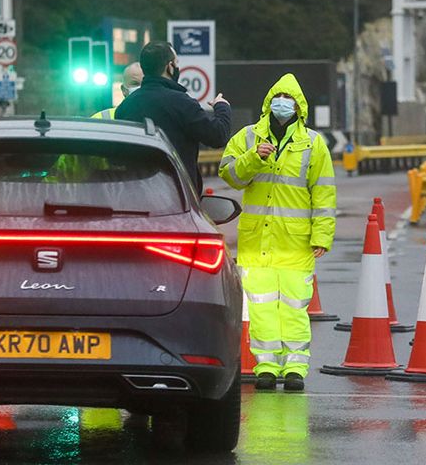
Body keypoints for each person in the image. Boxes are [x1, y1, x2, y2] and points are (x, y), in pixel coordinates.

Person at [219, 74, 335, 392]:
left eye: (290, 98)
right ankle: (267, 367)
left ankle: (296, 367)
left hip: (296, 242)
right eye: (278, 97)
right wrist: (254, 158)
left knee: (295, 306)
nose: (283, 103)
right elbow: (228, 174)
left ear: (300, 107)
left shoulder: (312, 143)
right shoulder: (247, 138)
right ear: (269, 103)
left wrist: (322, 236)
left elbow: (324, 192)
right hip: (258, 242)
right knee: (261, 306)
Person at [115, 41, 230, 193]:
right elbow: (218, 136)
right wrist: (222, 107)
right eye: (176, 63)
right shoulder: (181, 103)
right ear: (169, 67)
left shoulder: (125, 106)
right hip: (177, 197)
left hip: (136, 195)